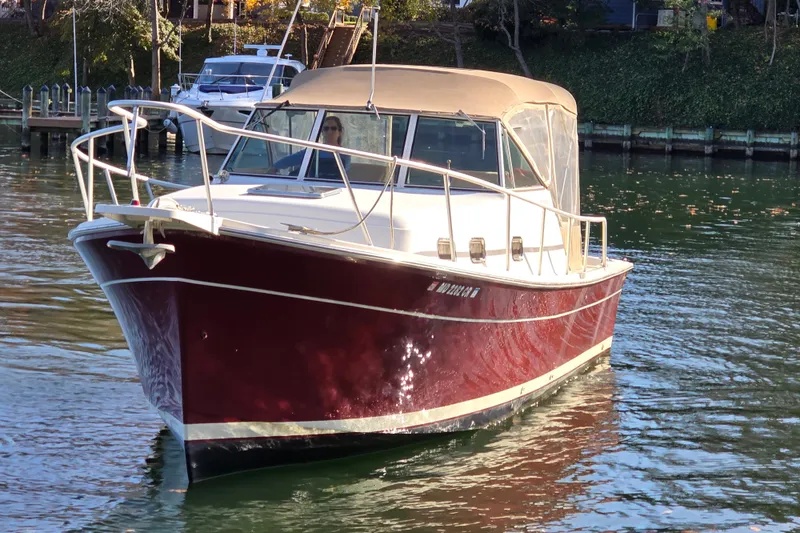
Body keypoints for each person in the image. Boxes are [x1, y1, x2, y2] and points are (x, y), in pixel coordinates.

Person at [268, 116, 351, 179]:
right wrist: (274, 167)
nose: (329, 132)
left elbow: (343, 177)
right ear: (322, 132)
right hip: (313, 186)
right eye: (326, 129)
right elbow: (291, 160)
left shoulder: (345, 154)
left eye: (333, 128)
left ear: (339, 132)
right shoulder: (312, 151)